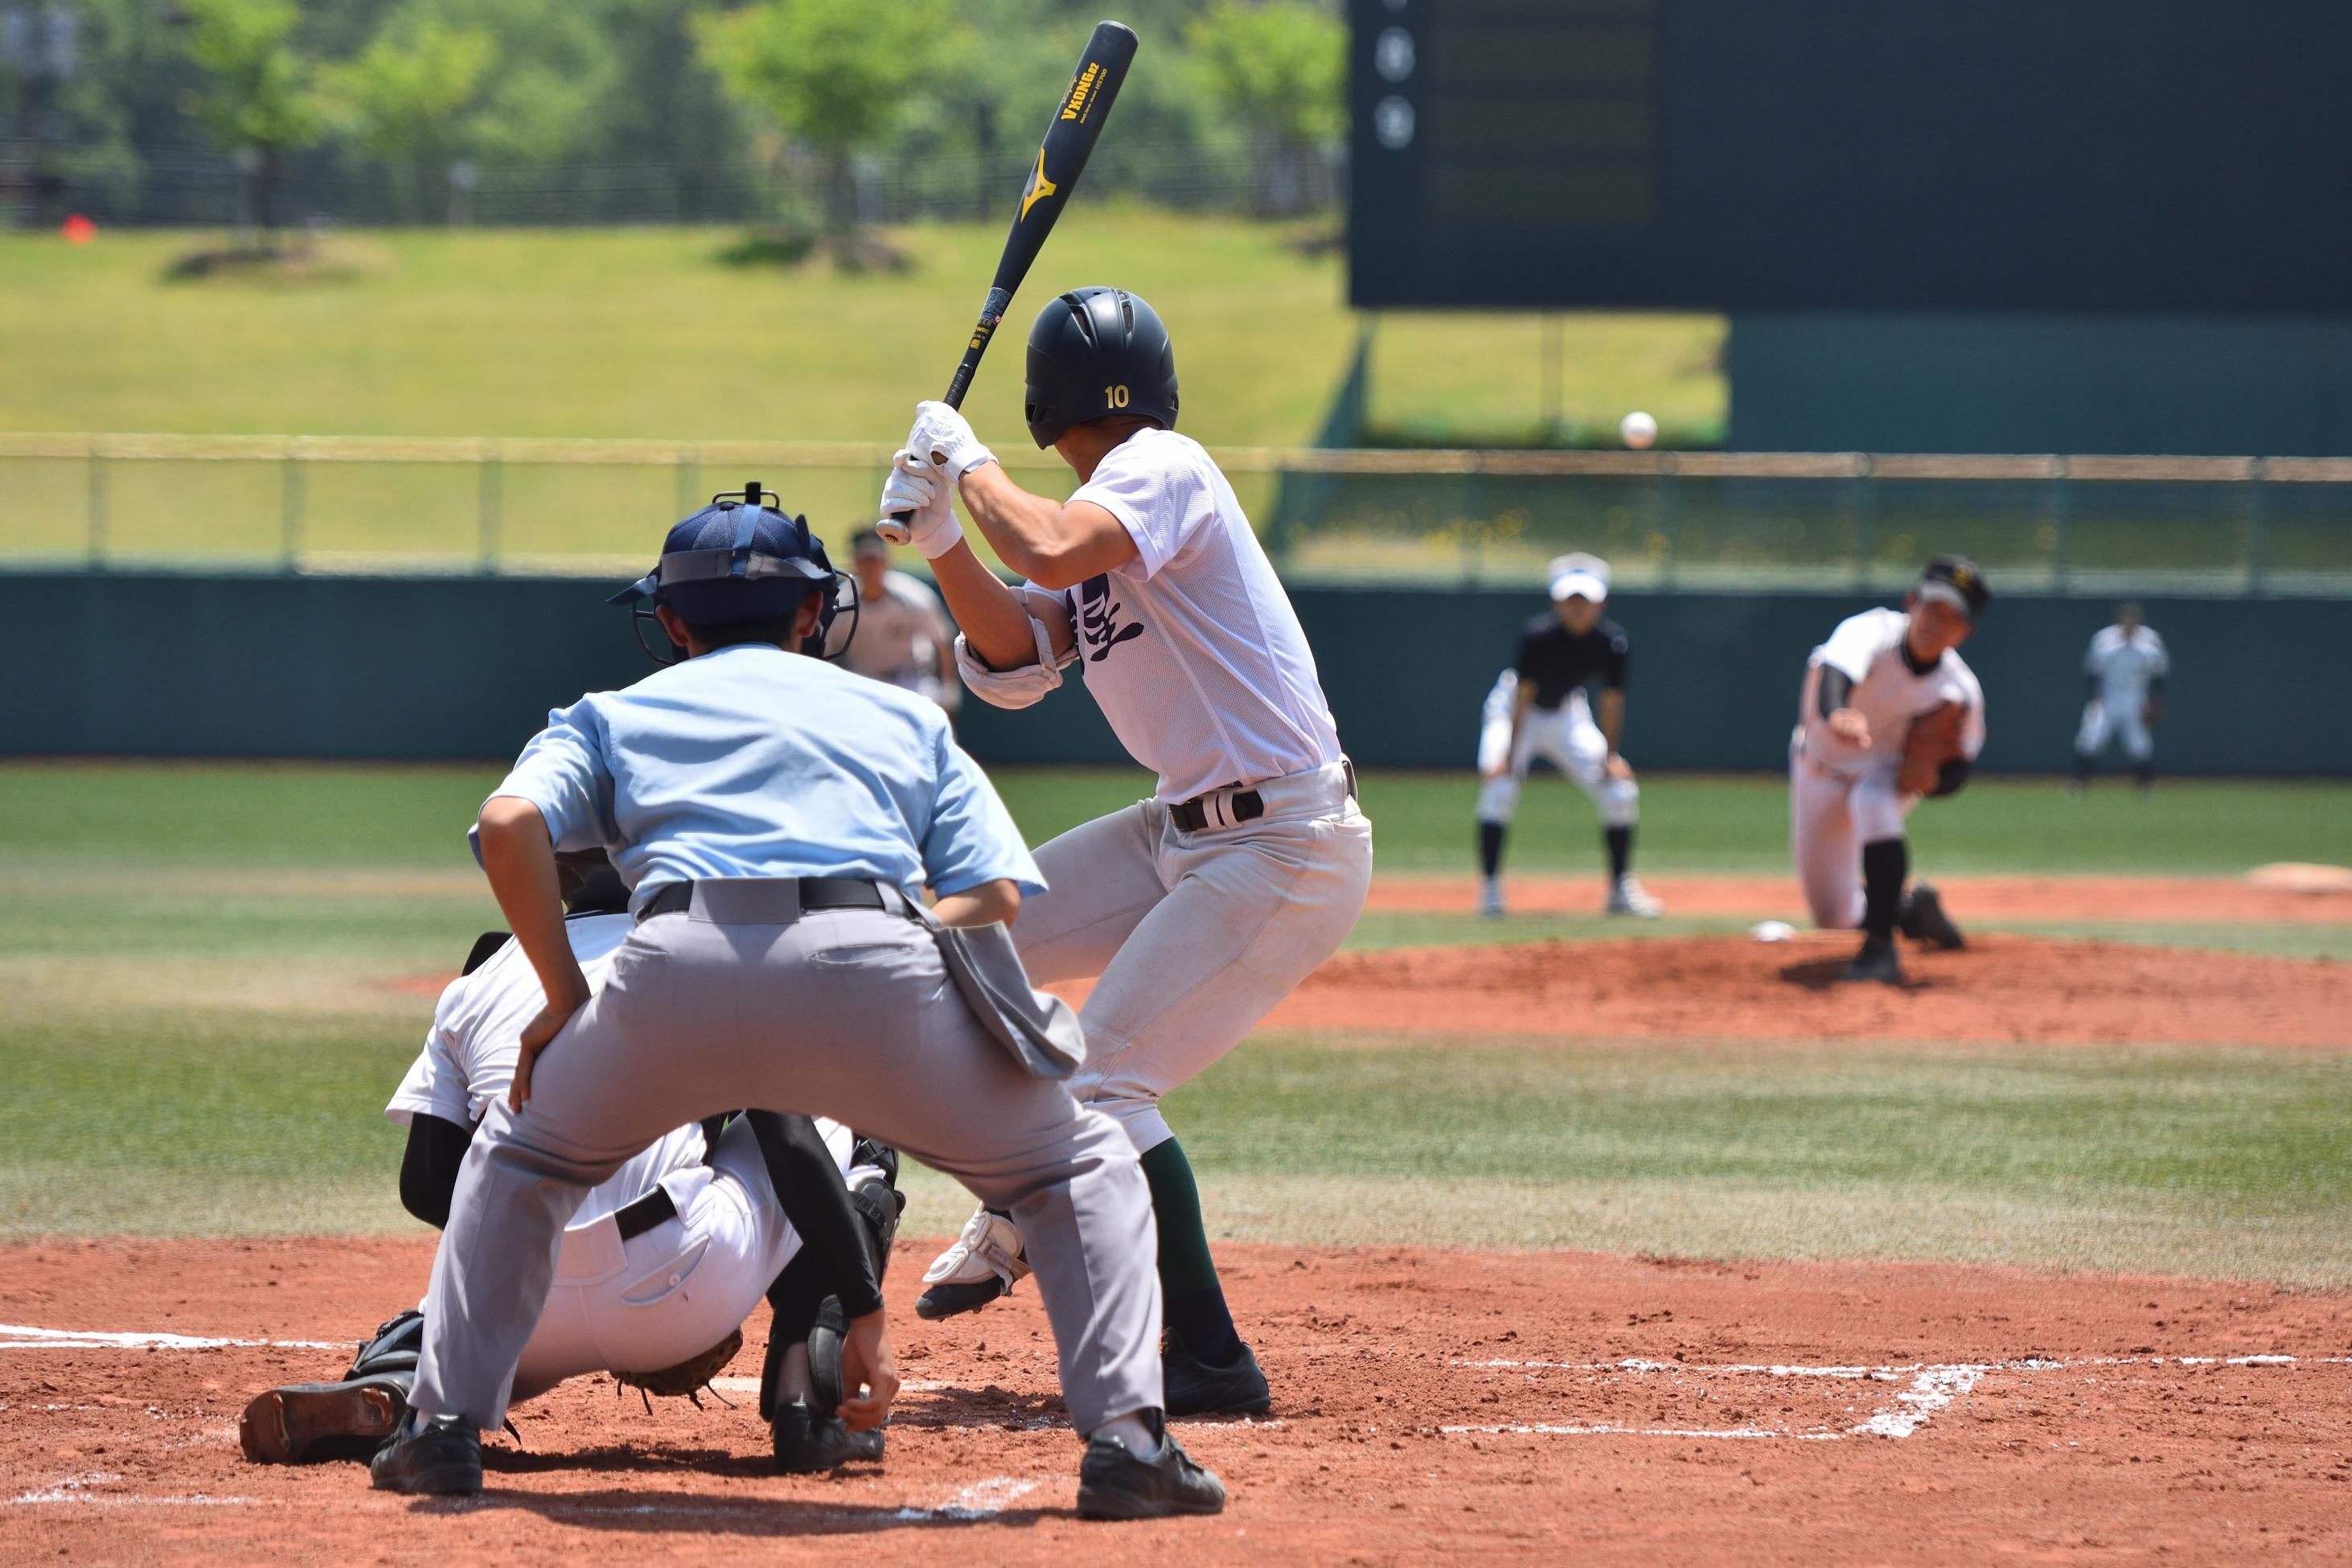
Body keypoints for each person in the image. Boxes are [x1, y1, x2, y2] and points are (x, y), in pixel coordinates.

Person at [367, 483, 1223, 1521]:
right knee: (1077, 1165)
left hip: (670, 965)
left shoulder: (613, 714)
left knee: (523, 1158)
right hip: (869, 962)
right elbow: (996, 894)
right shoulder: (899, 715)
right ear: (815, 614)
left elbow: (508, 827)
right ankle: (1129, 1446)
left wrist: (559, 995)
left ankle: (444, 1432)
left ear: (671, 623)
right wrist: (903, 963)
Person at [874, 287, 1373, 1419]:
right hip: (1183, 828)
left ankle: (1208, 1359)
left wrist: (967, 462)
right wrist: (947, 538)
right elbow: (1011, 654)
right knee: (955, 949)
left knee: (1103, 1081)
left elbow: (1046, 546)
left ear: (1045, 408)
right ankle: (1016, 1209)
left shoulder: (1163, 468)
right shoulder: (1114, 514)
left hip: (1280, 838)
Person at [237, 853, 903, 1474]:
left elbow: (428, 1188)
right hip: (679, 1285)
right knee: (840, 1105)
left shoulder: (484, 971)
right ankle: (809, 1404)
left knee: (498, 1242)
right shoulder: (717, 951)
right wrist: (864, 1306)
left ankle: (415, 1391)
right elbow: (789, 1146)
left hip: (512, 1310)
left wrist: (548, 1243)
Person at [1789, 557, 1989, 984]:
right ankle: (1910, 910)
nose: (1939, 623)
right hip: (1818, 770)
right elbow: (1835, 673)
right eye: (1934, 608)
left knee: (1874, 802)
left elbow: (1961, 768)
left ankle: (1880, 951)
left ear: (1966, 633)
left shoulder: (1959, 691)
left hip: (1883, 773)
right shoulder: (1869, 631)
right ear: (1912, 602)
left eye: (1953, 618)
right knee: (1833, 914)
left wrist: (1934, 782)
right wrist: (1837, 710)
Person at [1473, 552, 1662, 918]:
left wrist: (1611, 756)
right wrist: (1509, 757)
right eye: (1570, 600)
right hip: (1514, 712)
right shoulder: (1537, 636)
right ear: (1555, 602)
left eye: (1585, 601)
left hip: (1567, 714)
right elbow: (1523, 698)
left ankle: (1620, 890)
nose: (1578, 609)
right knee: (1499, 787)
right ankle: (1491, 892)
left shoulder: (1613, 643)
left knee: (1620, 790)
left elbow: (1611, 701)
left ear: (1601, 603)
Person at [831, 527, 963, 719]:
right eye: (864, 560)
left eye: (875, 559)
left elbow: (942, 643)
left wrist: (949, 691)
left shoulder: (913, 597)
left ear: (886, 561)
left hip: (909, 679)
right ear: (854, 564)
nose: (871, 567)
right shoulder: (842, 604)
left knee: (931, 714)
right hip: (863, 679)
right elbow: (827, 653)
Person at [2071, 602, 2169, 793]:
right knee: (2092, 736)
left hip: (2136, 697)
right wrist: (2094, 698)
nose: (2129, 621)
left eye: (2133, 618)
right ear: (2120, 619)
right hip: (2108, 696)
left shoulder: (2151, 640)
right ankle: (2079, 783)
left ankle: (2146, 785)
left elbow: (2160, 673)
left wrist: (2155, 700)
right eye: (2126, 617)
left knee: (2139, 742)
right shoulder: (2104, 639)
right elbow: (2092, 671)